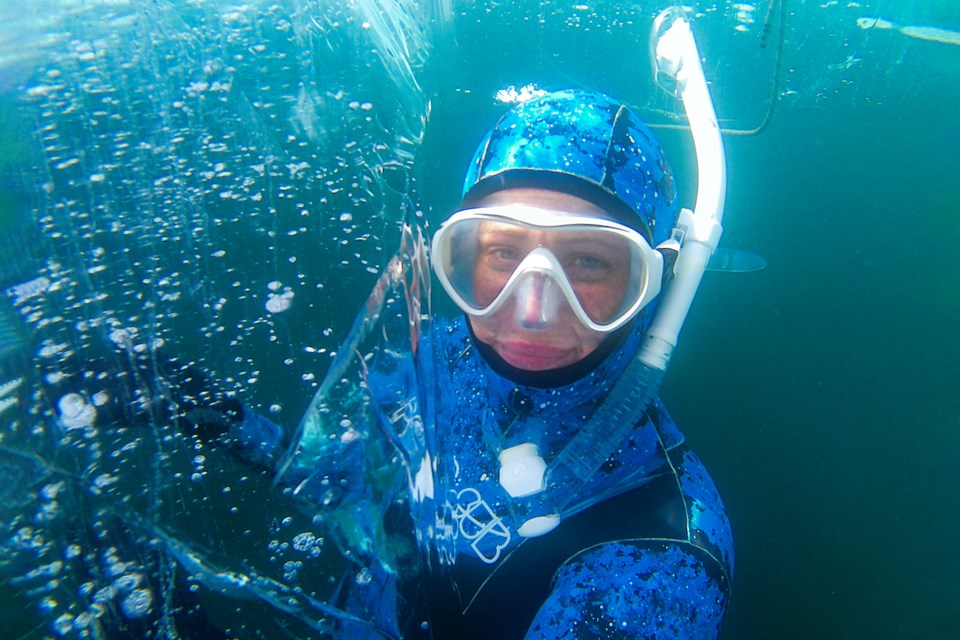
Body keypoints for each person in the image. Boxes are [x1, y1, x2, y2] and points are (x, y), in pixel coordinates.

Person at [42, 90, 733, 639]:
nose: (529, 311)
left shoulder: (657, 557)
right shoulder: (444, 350)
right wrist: (205, 410)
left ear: (655, 284)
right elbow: (360, 485)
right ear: (455, 257)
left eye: (588, 263)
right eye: (499, 254)